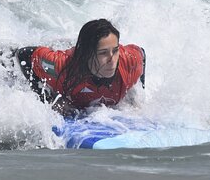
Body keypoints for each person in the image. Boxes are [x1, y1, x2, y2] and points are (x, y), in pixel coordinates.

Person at [15, 19, 145, 116]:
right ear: (88, 54)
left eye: (115, 50)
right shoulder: (61, 67)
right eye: (103, 53)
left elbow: (142, 54)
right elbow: (24, 54)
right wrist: (47, 101)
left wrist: (136, 98)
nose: (112, 59)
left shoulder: (129, 61)